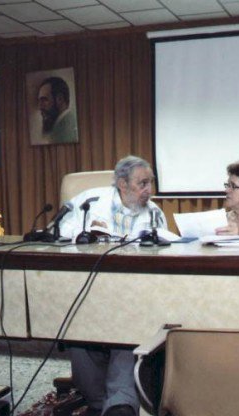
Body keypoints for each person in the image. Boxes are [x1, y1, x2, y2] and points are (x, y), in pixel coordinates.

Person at [58, 155, 167, 416]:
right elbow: (60, 232)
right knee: (77, 333)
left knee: (126, 331)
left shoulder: (154, 213)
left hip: (133, 295)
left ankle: (119, 404)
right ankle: (97, 402)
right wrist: (84, 235)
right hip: (89, 290)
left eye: (151, 183)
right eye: (142, 183)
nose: (149, 191)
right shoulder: (89, 201)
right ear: (122, 183)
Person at [38, 76, 78, 144]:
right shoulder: (58, 126)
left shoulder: (64, 130)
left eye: (44, 100)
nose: (40, 107)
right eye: (39, 101)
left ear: (60, 99)